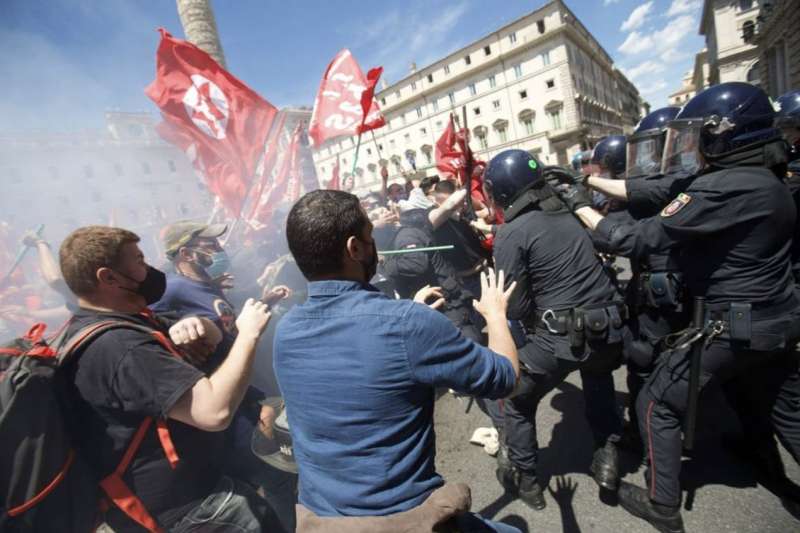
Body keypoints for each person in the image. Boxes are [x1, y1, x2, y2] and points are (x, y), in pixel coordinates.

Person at [560, 82, 800, 532]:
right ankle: (765, 462)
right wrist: (586, 180)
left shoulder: (721, 189)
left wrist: (580, 207)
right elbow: (658, 187)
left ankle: (662, 505)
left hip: (737, 325)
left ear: (721, 133)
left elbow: (630, 237)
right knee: (785, 408)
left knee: (658, 401)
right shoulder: (760, 176)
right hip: (780, 317)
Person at [273, 189, 521, 532]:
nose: (376, 245)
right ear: (354, 248)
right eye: (370, 236)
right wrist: (495, 314)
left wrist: (407, 324)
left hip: (321, 520)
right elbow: (505, 378)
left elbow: (354, 369)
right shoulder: (408, 325)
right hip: (401, 521)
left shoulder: (285, 331)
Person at [58, 225, 275, 532]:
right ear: (109, 277)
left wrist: (197, 324)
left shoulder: (128, 321)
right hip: (193, 513)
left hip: (197, 494)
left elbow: (208, 333)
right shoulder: (119, 347)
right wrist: (249, 333)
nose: (148, 269)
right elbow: (214, 412)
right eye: (139, 260)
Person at [482, 149, 627, 511]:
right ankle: (607, 460)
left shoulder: (511, 232)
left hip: (558, 337)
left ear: (500, 192)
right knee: (598, 377)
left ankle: (528, 481)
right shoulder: (573, 211)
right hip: (608, 327)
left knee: (517, 398)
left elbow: (514, 306)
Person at [151, 220, 297, 533]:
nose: (220, 249)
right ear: (187, 254)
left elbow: (228, 329)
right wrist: (174, 329)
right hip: (227, 415)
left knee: (274, 482)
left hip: (246, 402)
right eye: (211, 245)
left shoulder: (207, 285)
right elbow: (147, 323)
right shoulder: (173, 288)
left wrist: (265, 302)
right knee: (276, 479)